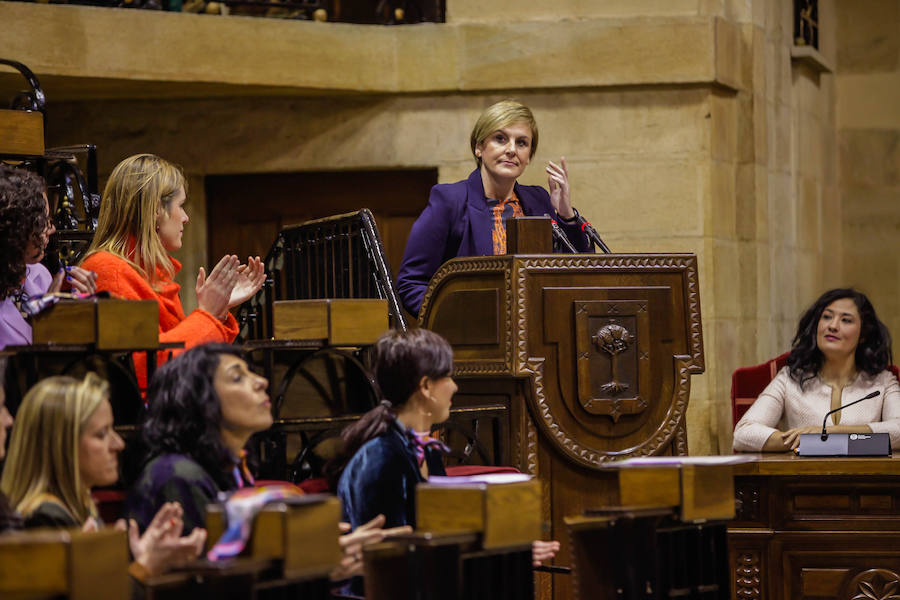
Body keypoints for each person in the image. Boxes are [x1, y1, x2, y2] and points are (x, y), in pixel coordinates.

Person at [333, 328, 558, 564]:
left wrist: (506, 551)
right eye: (448, 376)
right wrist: (501, 557)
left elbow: (439, 538)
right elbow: (389, 557)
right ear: (426, 386)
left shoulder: (426, 451)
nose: (455, 386)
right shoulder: (380, 456)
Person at [79, 154, 265, 388]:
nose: (186, 218)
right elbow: (145, 371)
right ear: (156, 209)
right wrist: (206, 314)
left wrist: (218, 310)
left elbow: (183, 357)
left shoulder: (146, 271)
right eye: (181, 205)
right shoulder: (110, 270)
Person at [395, 100, 592, 316]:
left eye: (522, 143)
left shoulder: (538, 200)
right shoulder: (450, 200)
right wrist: (454, 322)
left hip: (537, 335)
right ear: (479, 147)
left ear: (529, 157)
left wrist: (566, 215)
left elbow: (577, 276)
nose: (511, 150)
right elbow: (411, 283)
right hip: (471, 338)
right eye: (500, 139)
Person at [0, 372, 206, 577]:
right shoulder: (47, 519)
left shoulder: (79, 504)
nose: (119, 444)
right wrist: (145, 567)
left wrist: (139, 557)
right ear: (61, 446)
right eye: (101, 434)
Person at [127, 343, 272, 535]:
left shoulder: (231, 465)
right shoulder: (177, 475)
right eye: (237, 378)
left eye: (251, 373)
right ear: (199, 400)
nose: (261, 381)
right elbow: (203, 562)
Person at [733, 288, 900, 452]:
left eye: (846, 320)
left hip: (867, 477)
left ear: (863, 334)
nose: (833, 326)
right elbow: (743, 433)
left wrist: (829, 433)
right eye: (827, 317)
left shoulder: (882, 381)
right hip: (801, 477)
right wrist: (806, 442)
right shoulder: (790, 378)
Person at [0, 163, 97, 349]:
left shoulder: (39, 274)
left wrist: (80, 307)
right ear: (16, 228)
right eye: (43, 221)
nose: (51, 229)